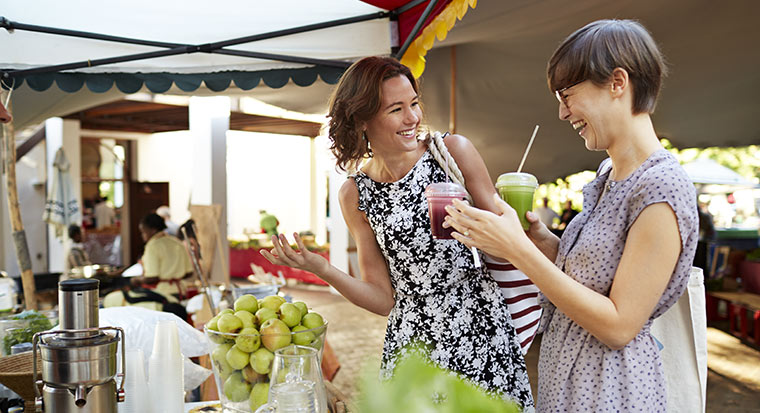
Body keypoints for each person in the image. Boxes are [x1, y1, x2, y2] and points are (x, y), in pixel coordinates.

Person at [443, 20, 698, 411]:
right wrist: (541, 242)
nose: (563, 113)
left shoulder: (661, 188)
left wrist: (515, 249)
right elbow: (597, 277)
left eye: (568, 95)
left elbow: (618, 325)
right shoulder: (609, 176)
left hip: (612, 392)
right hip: (571, 382)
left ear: (617, 82)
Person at [261, 56, 533, 408]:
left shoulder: (451, 152)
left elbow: (511, 238)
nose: (413, 118)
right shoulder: (355, 193)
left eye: (415, 104)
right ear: (362, 119)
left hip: (478, 327)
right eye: (396, 109)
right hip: (412, 345)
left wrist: (479, 228)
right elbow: (384, 298)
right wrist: (322, 268)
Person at [132, 213, 193, 298]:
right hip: (180, 291)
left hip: (162, 295)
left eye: (144, 232)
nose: (142, 236)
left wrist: (137, 280)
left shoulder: (153, 246)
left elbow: (152, 277)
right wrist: (175, 275)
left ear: (153, 230)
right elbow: (189, 272)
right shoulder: (177, 242)